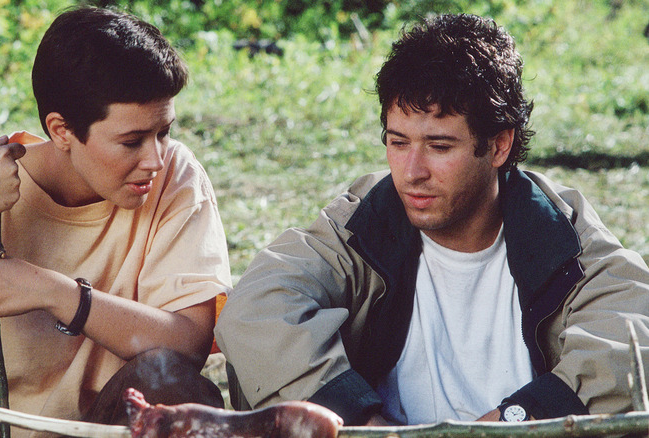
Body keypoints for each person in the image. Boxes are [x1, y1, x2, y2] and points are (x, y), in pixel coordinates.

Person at [215, 13, 649, 427]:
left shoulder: (560, 235)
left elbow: (633, 333)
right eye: (398, 142)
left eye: (439, 147)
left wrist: (513, 422)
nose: (412, 172)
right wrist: (362, 423)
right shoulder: (363, 222)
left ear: (499, 145)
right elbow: (256, 309)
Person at [0, 6, 231, 437]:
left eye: (164, 132)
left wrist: (56, 293)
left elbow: (188, 345)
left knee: (173, 384)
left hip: (106, 428)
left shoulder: (174, 177)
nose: (154, 159)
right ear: (61, 130)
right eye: (132, 141)